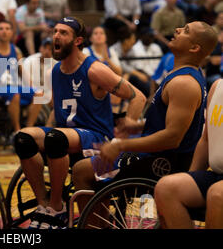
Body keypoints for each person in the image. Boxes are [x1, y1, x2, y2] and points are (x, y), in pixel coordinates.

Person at [73, 21, 218, 217]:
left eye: (185, 31)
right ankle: (104, 220)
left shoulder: (184, 83)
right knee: (94, 161)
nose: (177, 29)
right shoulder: (183, 75)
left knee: (82, 170)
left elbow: (172, 137)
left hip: (161, 162)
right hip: (158, 156)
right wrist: (138, 126)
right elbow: (175, 124)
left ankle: (97, 224)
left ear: (194, 47)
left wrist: (122, 145)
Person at [14, 17, 146, 229]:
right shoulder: (56, 70)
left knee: (55, 138)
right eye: (55, 31)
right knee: (23, 138)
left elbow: (138, 96)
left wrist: (120, 140)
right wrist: (43, 132)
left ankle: (57, 206)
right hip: (66, 135)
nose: (56, 36)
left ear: (77, 41)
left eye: (63, 33)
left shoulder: (94, 69)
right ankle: (44, 204)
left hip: (95, 136)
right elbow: (58, 112)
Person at [155, 78, 223, 229]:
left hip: (218, 187)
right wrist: (191, 177)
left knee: (217, 194)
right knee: (166, 188)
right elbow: (205, 141)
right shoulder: (218, 86)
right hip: (217, 175)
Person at [0, 20, 44, 137]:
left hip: (14, 87)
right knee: (15, 93)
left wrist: (32, 87)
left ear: (12, 32)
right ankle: (17, 131)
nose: (4, 31)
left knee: (39, 93)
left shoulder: (15, 50)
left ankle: (28, 130)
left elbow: (24, 73)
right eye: (1, 29)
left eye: (7, 29)